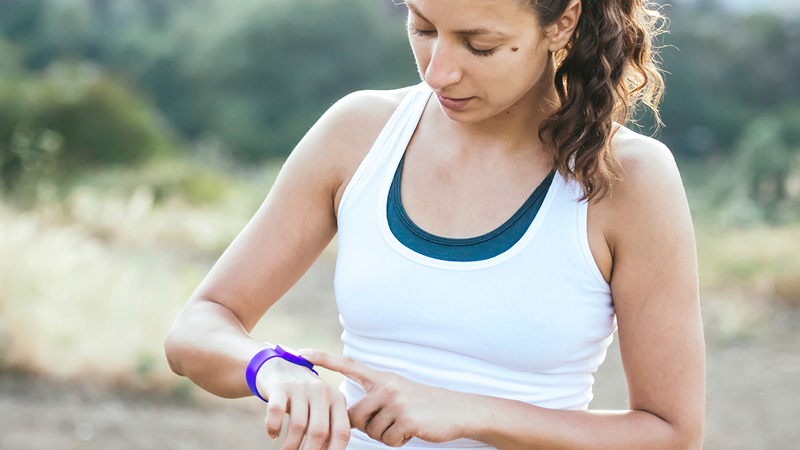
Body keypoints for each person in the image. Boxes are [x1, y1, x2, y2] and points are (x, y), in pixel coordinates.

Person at [165, 0, 705, 449]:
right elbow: (198, 328)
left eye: (480, 45)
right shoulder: (358, 132)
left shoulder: (630, 178)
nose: (436, 70)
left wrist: (472, 413)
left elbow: (670, 433)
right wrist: (271, 368)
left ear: (562, 21)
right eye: (422, 27)